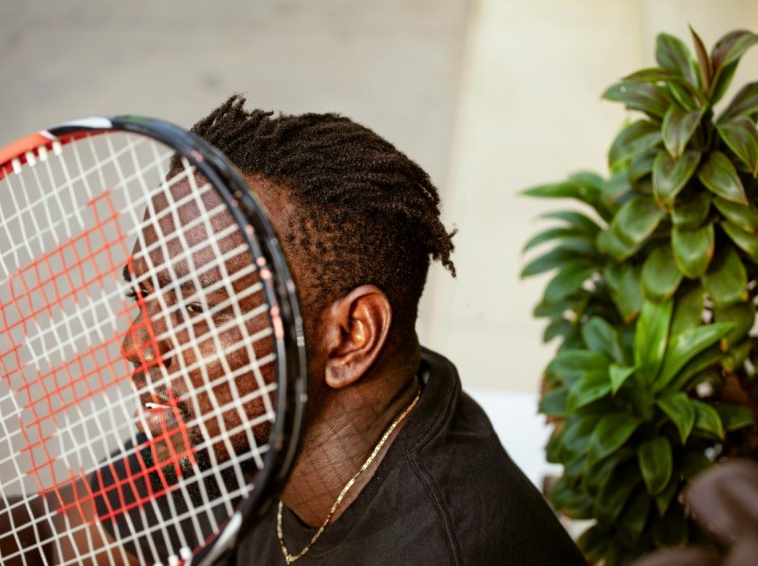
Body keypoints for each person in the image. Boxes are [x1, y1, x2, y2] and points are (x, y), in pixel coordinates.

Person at [117, 95, 583, 565]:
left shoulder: (444, 550)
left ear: (350, 338)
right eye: (141, 297)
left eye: (195, 308)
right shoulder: (241, 421)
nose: (136, 346)